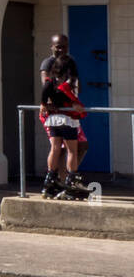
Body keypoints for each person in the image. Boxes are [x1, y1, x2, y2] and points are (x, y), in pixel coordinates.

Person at [39, 40, 87, 199]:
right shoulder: (68, 82)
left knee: (55, 148)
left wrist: (44, 104)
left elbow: (45, 95)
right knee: (72, 150)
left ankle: (50, 181)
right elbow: (71, 94)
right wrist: (76, 104)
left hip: (53, 119)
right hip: (67, 119)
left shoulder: (50, 82)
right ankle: (71, 181)